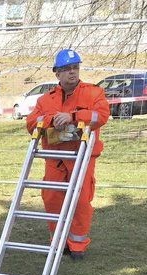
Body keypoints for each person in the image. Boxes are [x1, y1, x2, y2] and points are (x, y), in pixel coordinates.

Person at [25, 49, 109, 260]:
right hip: (55, 158)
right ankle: (58, 242)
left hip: (81, 157)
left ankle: (77, 246)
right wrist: (52, 119)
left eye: (75, 68)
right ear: (57, 73)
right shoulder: (46, 99)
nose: (72, 72)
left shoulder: (93, 93)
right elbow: (30, 123)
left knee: (80, 200)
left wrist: (73, 116)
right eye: (67, 69)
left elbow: (101, 116)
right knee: (52, 197)